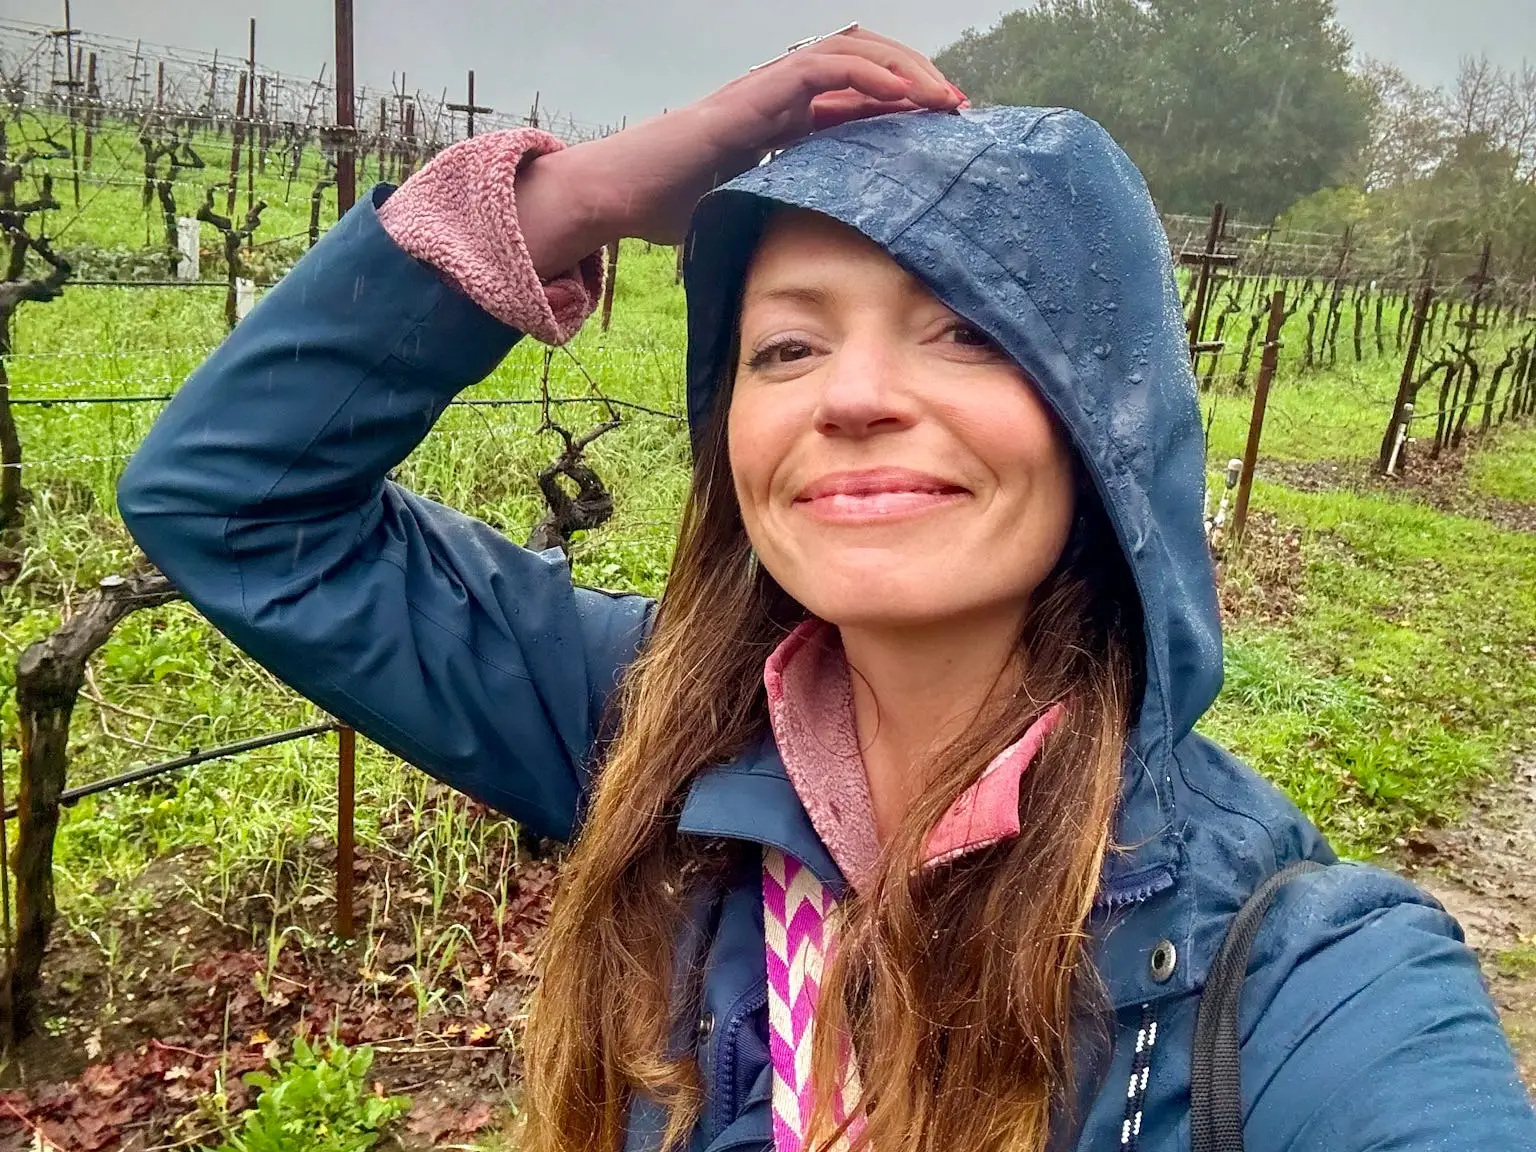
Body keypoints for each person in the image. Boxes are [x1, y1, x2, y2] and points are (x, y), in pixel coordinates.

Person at [118, 25, 1534, 1152]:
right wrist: (583, 198)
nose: (853, 396)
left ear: (1108, 422)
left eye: (968, 334)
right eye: (786, 349)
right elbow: (232, 502)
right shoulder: (648, 732)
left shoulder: (1298, 977)